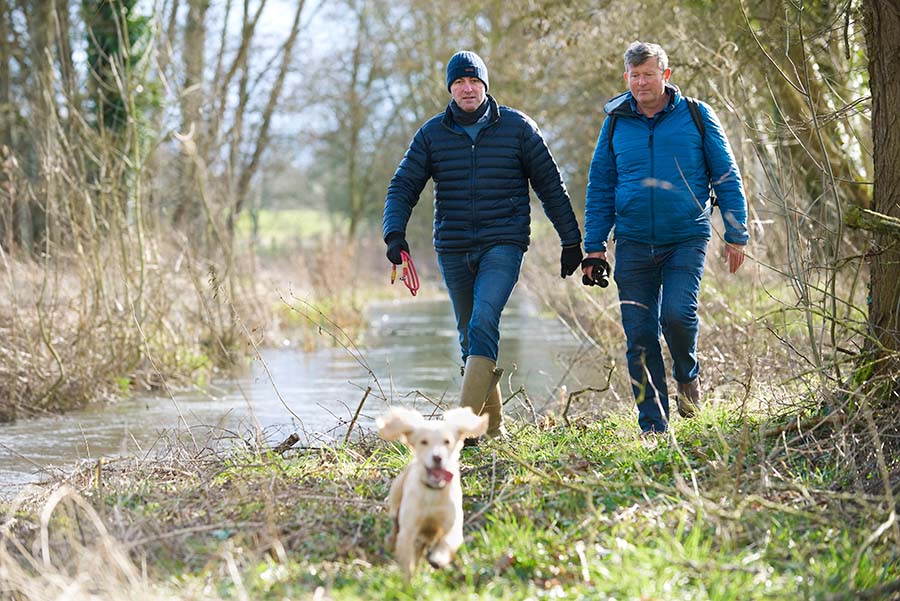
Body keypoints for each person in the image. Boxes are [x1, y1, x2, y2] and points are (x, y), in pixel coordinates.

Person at [383, 50, 583, 439]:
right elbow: (402, 186)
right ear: (450, 88)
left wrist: (571, 240)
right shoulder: (431, 135)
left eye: (473, 81)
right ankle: (492, 429)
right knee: (467, 332)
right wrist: (395, 234)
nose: (467, 88)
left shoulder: (518, 128)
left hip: (503, 243)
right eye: (459, 82)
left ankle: (458, 433)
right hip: (453, 246)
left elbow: (550, 186)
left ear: (485, 85)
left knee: (483, 321)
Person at [582, 41, 749, 437]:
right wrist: (594, 244)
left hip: (685, 238)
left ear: (665, 76)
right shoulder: (616, 123)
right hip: (634, 242)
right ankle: (654, 426)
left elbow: (726, 175)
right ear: (627, 78)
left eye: (649, 74)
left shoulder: (696, 114)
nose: (641, 82)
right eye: (634, 76)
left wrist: (736, 233)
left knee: (677, 315)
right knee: (639, 334)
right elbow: (600, 186)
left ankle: (687, 375)